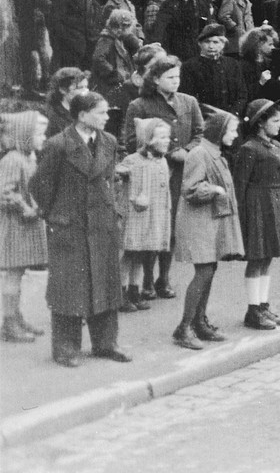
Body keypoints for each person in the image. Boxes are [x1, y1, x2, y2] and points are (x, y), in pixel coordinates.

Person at [31, 91, 131, 366]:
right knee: (69, 288)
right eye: (101, 112)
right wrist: (56, 216)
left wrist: (114, 211)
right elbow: (39, 185)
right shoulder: (59, 144)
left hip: (102, 225)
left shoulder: (108, 141)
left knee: (105, 283)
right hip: (69, 227)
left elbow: (109, 180)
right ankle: (65, 348)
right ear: (82, 115)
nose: (107, 116)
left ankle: (106, 343)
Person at [121, 54, 204, 301]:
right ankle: (145, 280)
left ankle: (163, 278)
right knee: (151, 226)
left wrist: (186, 151)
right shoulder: (140, 104)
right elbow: (131, 140)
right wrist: (166, 152)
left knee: (172, 227)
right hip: (151, 173)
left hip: (181, 173)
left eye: (178, 77)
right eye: (170, 77)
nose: (176, 81)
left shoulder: (188, 102)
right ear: (155, 79)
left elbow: (200, 133)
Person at [170, 111, 244, 348]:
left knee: (209, 269)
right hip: (198, 221)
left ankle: (199, 322)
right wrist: (213, 190)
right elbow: (190, 190)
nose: (235, 135)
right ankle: (184, 327)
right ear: (220, 132)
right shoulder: (200, 153)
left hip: (209, 220)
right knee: (203, 271)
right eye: (232, 130)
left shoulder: (215, 153)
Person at [231, 99, 280, 330]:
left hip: (274, 204)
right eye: (275, 121)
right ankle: (253, 310)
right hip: (256, 206)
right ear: (260, 124)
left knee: (268, 258)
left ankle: (264, 305)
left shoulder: (276, 146)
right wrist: (241, 218)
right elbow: (240, 185)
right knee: (256, 259)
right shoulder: (249, 149)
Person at [0, 110, 48, 343]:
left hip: (26, 224)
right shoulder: (13, 159)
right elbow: (3, 192)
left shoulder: (29, 157)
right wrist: (24, 207)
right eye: (39, 134)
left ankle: (16, 316)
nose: (44, 138)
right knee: (13, 274)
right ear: (24, 134)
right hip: (15, 225)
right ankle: (8, 323)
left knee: (18, 273)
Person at [118, 118, 173, 313]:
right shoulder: (133, 160)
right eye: (161, 137)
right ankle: (121, 293)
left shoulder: (163, 161)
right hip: (135, 216)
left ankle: (135, 291)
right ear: (148, 139)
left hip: (154, 216)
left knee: (141, 255)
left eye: (168, 136)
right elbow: (117, 174)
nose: (167, 140)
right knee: (129, 254)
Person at [180, 23, 248, 115]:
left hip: (231, 118)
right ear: (200, 43)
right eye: (207, 42)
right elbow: (188, 98)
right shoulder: (189, 66)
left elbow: (242, 94)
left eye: (216, 42)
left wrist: (233, 114)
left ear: (223, 44)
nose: (211, 46)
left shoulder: (232, 64)